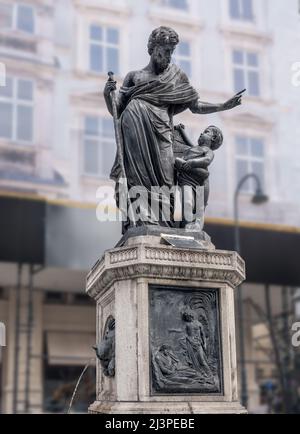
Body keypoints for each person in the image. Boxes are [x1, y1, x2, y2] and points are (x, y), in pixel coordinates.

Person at [104, 26, 243, 228]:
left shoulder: (176, 76)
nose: (169, 56)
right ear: (153, 49)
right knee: (136, 179)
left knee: (165, 180)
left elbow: (195, 106)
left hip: (161, 133)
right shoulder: (134, 76)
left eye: (172, 51)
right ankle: (139, 223)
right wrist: (107, 94)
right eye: (165, 50)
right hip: (134, 130)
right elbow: (116, 108)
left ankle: (163, 225)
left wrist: (222, 106)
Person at [175, 125, 224, 208]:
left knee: (193, 204)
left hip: (196, 179)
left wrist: (193, 163)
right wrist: (181, 130)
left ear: (213, 138)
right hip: (185, 179)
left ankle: (197, 212)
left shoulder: (208, 151)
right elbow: (187, 141)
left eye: (206, 132)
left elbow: (207, 160)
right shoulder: (195, 148)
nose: (201, 133)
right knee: (185, 200)